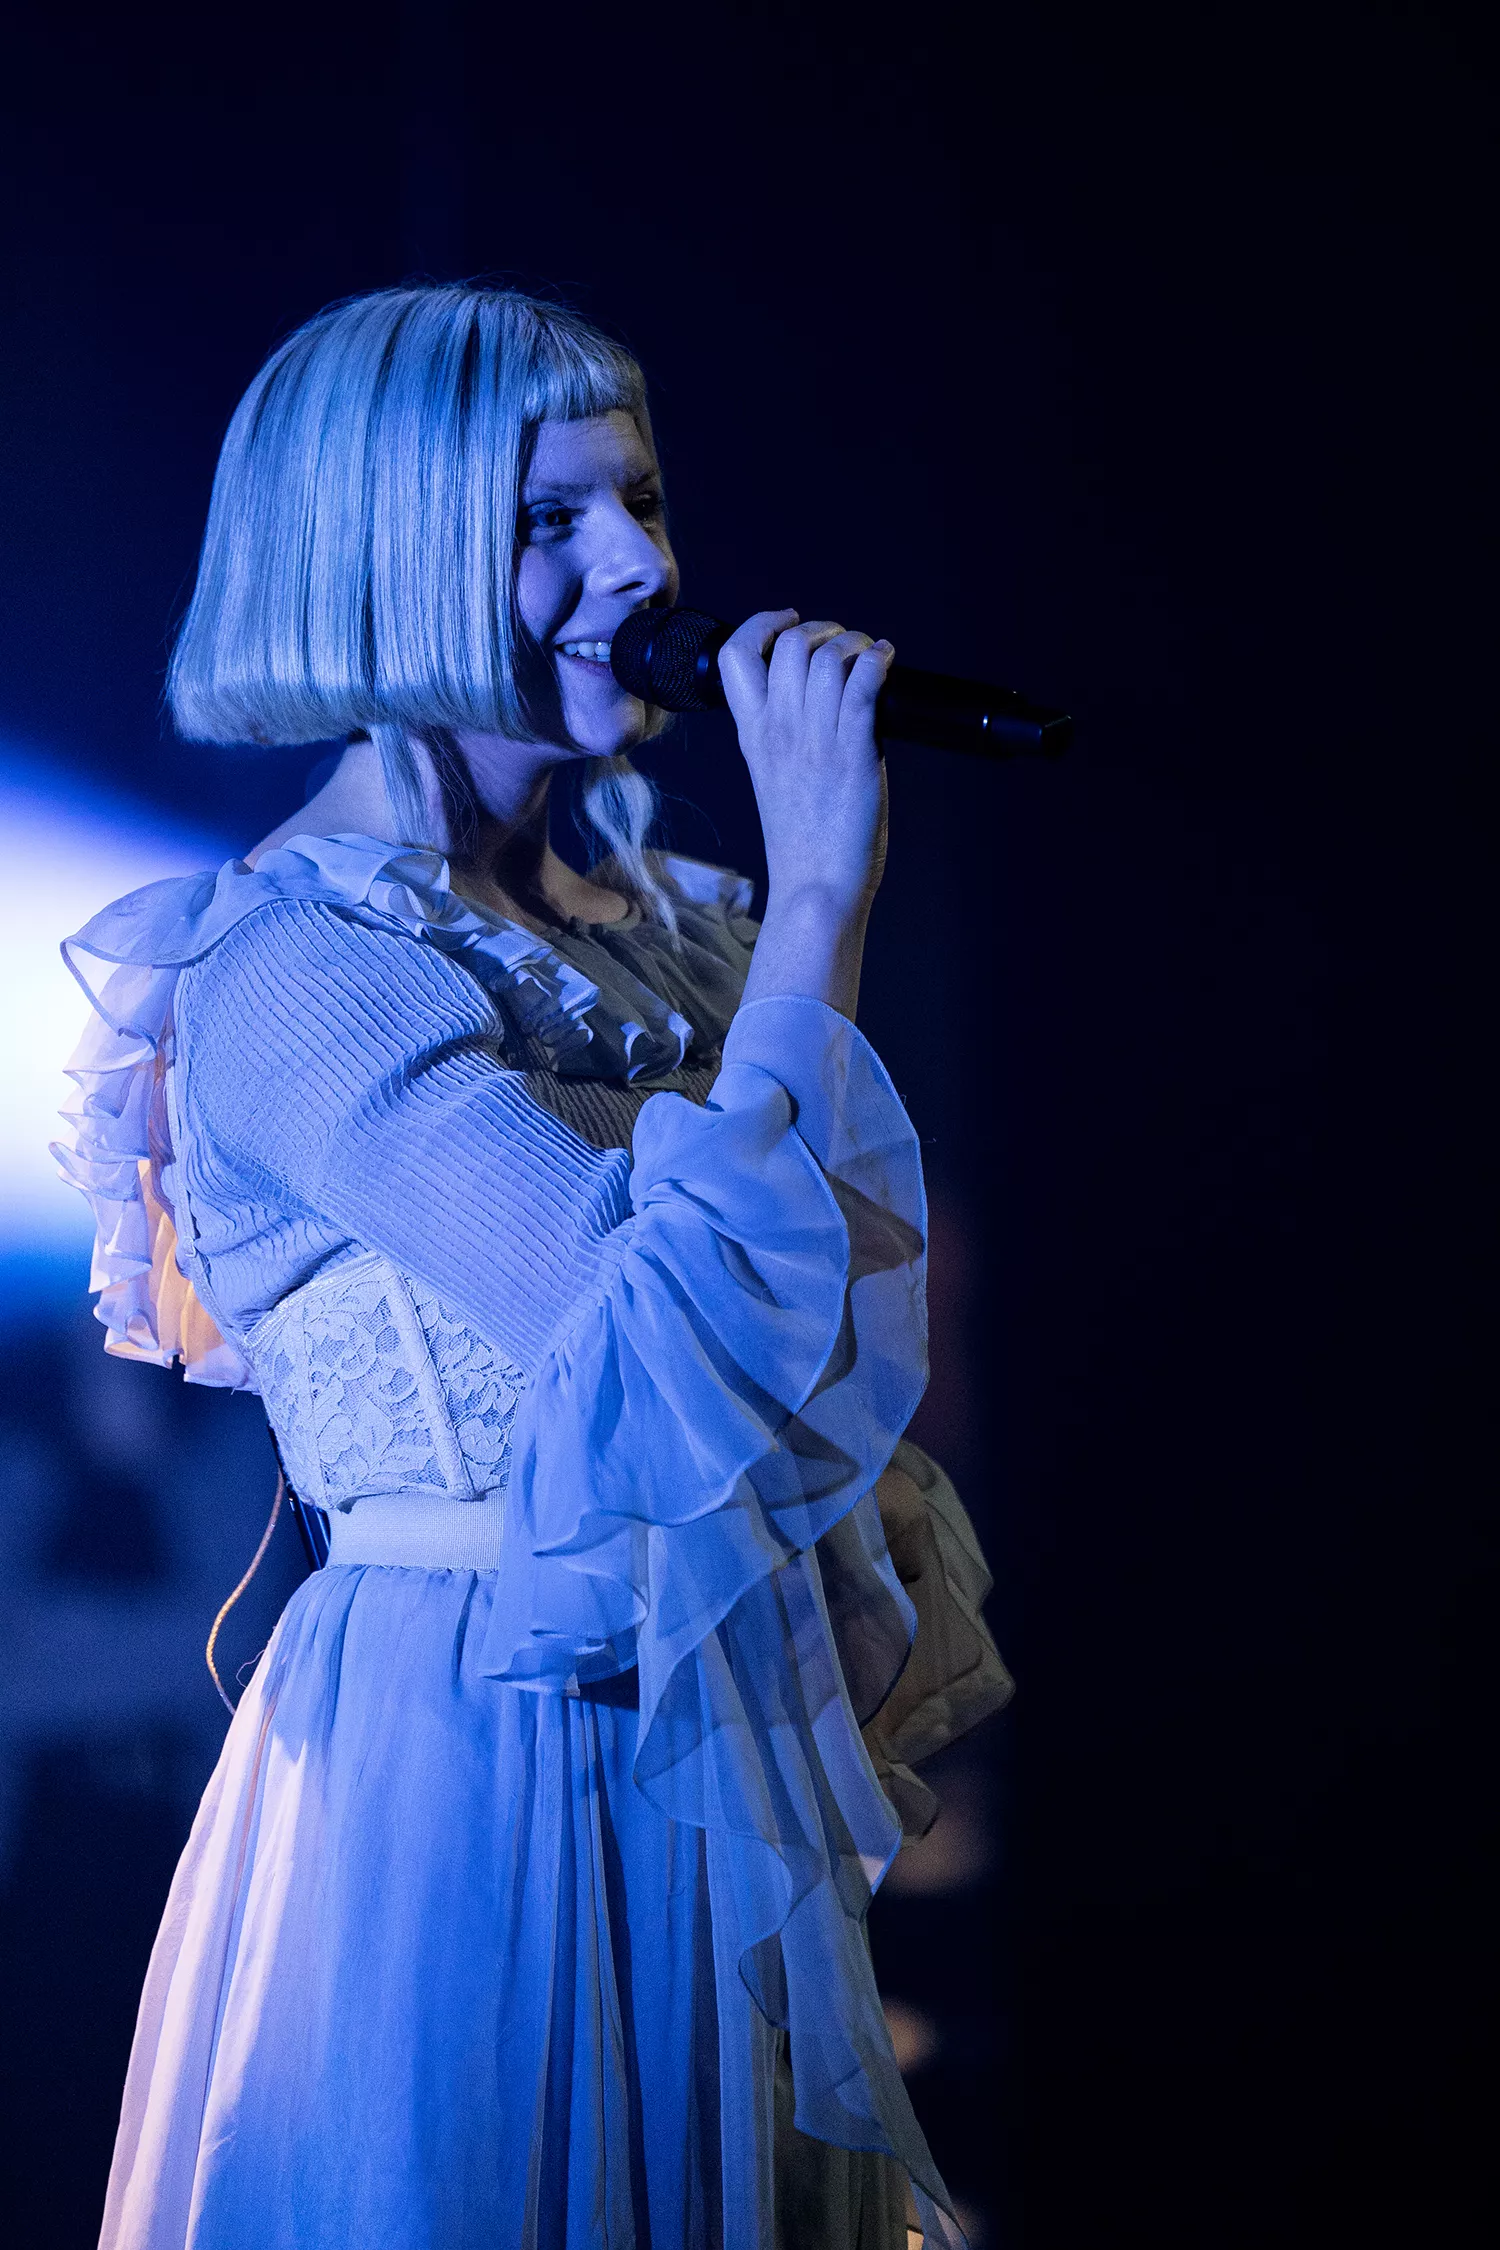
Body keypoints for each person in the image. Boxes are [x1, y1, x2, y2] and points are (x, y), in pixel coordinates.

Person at [56, 284, 1011, 2250]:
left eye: (640, 500)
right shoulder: (300, 964)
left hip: (700, 1739)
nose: (641, 566)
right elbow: (658, 1345)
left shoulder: (665, 926)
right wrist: (826, 891)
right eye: (551, 520)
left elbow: (812, 1355)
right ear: (388, 550)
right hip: (485, 1758)